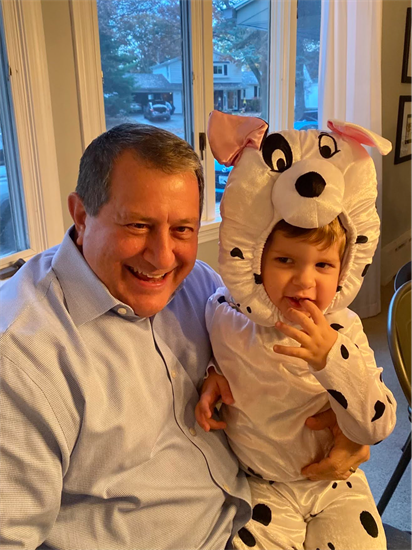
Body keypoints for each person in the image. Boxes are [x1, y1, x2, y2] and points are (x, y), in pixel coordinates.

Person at [0, 123, 369, 549]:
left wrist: (349, 418)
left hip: (266, 505)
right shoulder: (22, 359)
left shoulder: (201, 286)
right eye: (138, 225)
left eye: (183, 229)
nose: (161, 257)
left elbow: (270, 364)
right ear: (82, 217)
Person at [196, 114, 397, 550]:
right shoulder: (223, 314)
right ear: (256, 261)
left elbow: (378, 424)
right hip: (262, 487)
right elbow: (217, 353)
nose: (306, 282)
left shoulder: (345, 328)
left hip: (335, 485)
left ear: (343, 268)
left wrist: (333, 360)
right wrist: (213, 374)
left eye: (323, 265)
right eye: (286, 261)